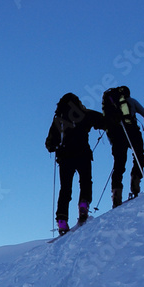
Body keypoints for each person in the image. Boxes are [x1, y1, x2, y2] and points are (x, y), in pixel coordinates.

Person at [45, 93, 107, 234]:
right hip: (83, 154)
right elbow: (103, 122)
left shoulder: (58, 120)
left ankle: (62, 220)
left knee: (65, 189)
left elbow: (49, 143)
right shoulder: (84, 113)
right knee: (85, 181)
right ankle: (83, 204)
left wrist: (55, 147)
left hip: (65, 157)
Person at [101, 86, 144, 207]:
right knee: (139, 156)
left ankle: (116, 193)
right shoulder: (131, 101)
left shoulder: (109, 105)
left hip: (116, 135)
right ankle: (135, 181)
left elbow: (106, 123)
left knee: (119, 164)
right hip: (132, 132)